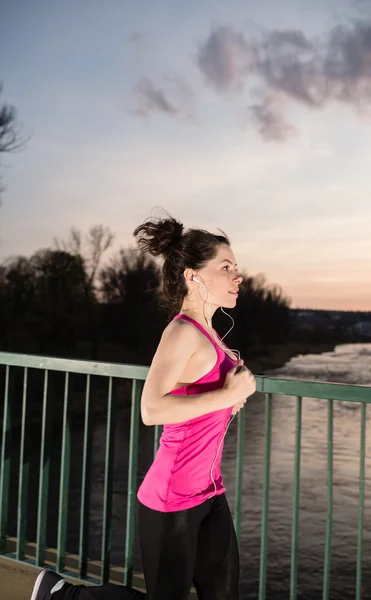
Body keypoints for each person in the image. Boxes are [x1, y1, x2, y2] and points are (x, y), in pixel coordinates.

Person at [30, 212, 256, 600]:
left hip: (210, 490)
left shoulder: (212, 333)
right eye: (225, 267)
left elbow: (194, 399)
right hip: (173, 498)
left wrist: (225, 404)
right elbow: (150, 409)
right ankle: (61, 594)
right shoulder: (182, 331)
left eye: (236, 267)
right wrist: (226, 396)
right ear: (193, 275)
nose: (238, 276)